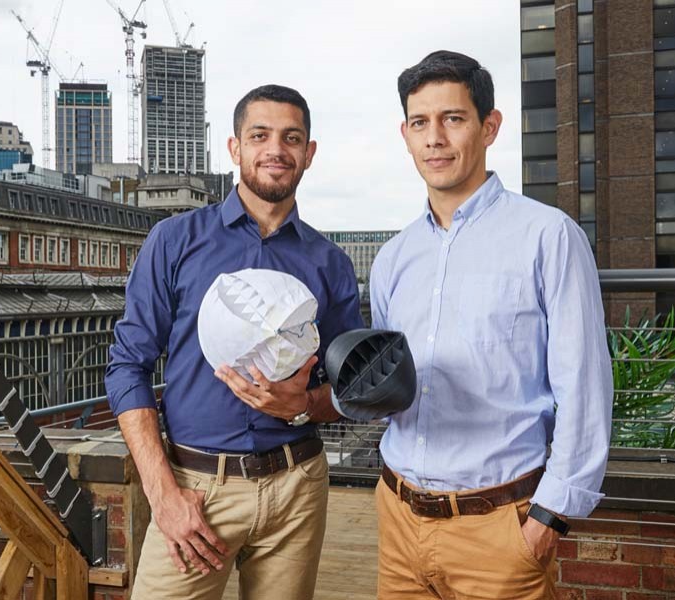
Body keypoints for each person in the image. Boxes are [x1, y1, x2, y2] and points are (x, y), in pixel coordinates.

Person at [370, 50, 613, 599]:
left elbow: (585, 386)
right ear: (405, 135)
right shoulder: (392, 258)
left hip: (502, 529)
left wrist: (550, 516)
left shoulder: (548, 237)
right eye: (419, 122)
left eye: (452, 119)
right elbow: (386, 385)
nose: (434, 138)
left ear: (490, 126)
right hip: (398, 520)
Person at [105, 84, 363, 599]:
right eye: (259, 134)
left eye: (292, 138)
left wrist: (305, 404)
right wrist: (164, 496)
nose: (276, 149)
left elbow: (350, 390)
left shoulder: (329, 262)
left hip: (296, 490)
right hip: (196, 489)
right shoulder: (175, 241)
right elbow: (127, 367)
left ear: (308, 154)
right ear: (234, 148)